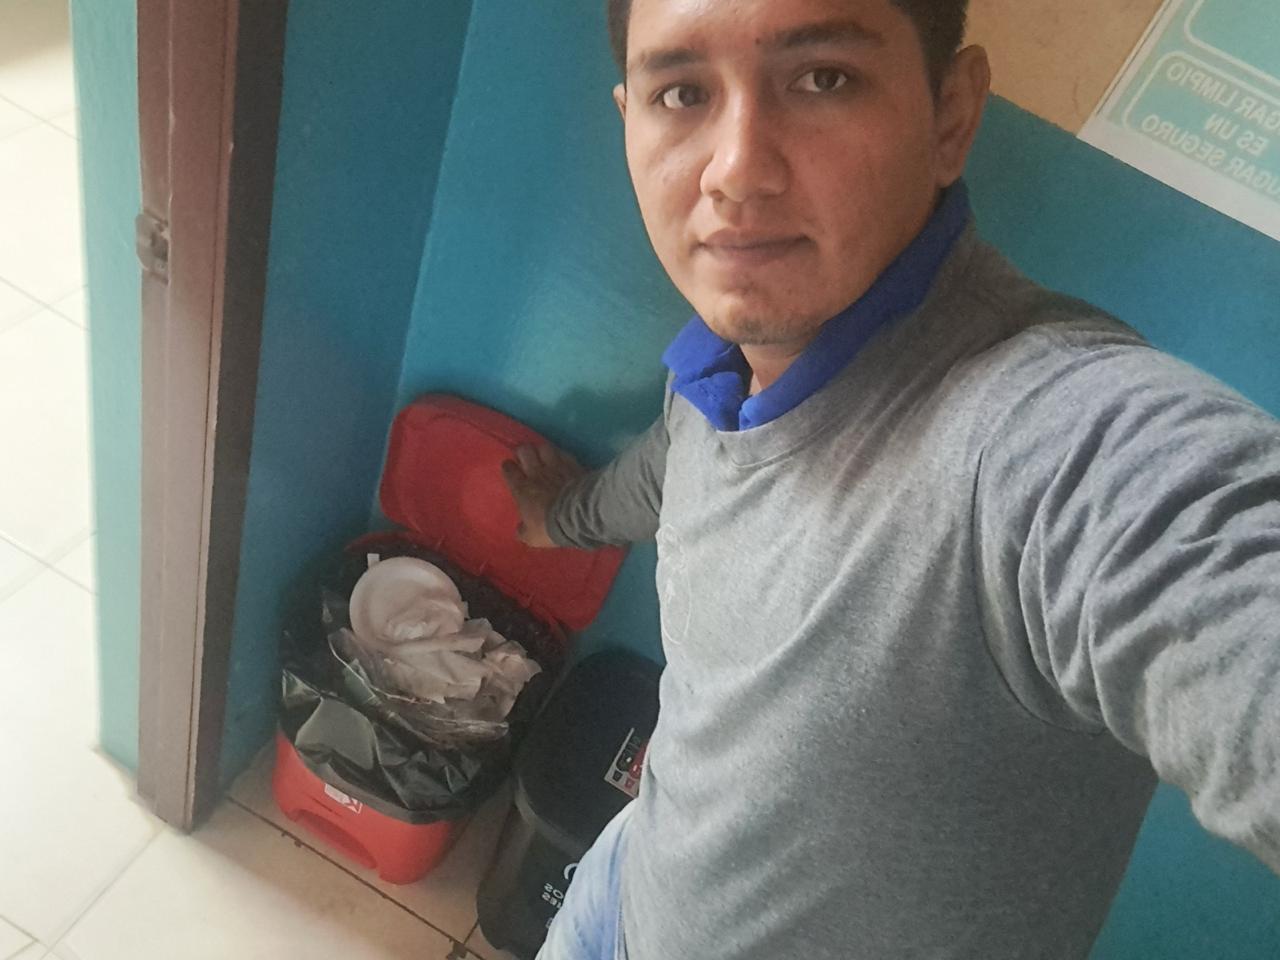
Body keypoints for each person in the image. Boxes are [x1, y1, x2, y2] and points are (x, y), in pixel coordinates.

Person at [500, 0, 1280, 957]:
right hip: (621, 893)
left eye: (822, 78)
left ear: (951, 116)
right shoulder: (719, 369)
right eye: (682, 94)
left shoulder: (1048, 445)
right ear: (630, 120)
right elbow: (674, 467)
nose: (736, 169)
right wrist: (560, 518)